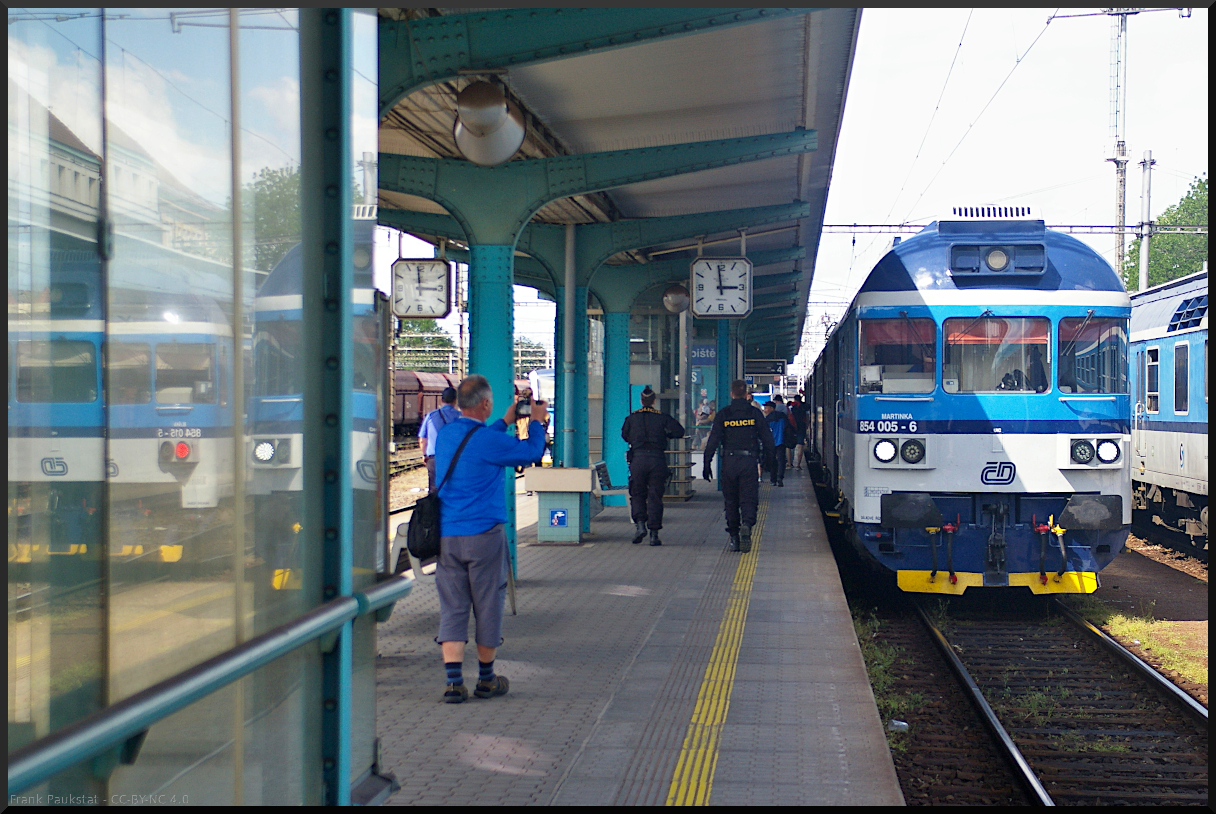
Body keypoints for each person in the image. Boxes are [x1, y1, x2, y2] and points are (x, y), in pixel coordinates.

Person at [432, 375, 547, 704]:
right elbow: (531, 452)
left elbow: (477, 441)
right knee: (487, 605)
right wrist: (536, 422)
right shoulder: (488, 441)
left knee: (453, 607)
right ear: (485, 403)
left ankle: (454, 683)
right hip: (483, 536)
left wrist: (505, 421)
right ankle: (486, 679)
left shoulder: (446, 434)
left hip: (447, 536)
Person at [701, 379, 776, 553]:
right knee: (749, 498)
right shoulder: (754, 413)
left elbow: (713, 441)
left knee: (731, 501)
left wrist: (706, 464)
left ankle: (734, 537)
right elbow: (767, 439)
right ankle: (747, 525)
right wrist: (769, 462)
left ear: (732, 394)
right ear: (746, 394)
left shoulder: (724, 414)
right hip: (748, 462)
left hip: (729, 463)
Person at [621, 386, 686, 546]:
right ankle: (654, 535)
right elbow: (680, 431)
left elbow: (624, 435)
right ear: (654, 401)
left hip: (638, 459)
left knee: (637, 493)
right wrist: (666, 435)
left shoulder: (632, 418)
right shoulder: (662, 417)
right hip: (657, 460)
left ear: (641, 401)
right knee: (655, 496)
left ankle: (640, 526)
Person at [419, 386, 461, 489]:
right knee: (453, 489)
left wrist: (424, 455)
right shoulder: (461, 417)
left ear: (441, 400)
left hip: (434, 459)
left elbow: (422, 440)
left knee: (434, 490)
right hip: (455, 459)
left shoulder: (431, 416)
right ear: (455, 400)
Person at [763, 402, 788, 487]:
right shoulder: (783, 416)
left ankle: (773, 480)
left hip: (771, 443)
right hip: (781, 441)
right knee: (781, 460)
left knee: (772, 461)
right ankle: (780, 477)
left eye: (766, 408)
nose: (765, 410)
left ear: (771, 408)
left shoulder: (767, 419)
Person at [788, 394, 808, 473]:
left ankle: (789, 463)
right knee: (800, 445)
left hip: (792, 428)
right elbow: (807, 418)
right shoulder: (804, 407)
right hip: (801, 427)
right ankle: (798, 465)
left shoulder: (791, 406)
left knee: (789, 446)